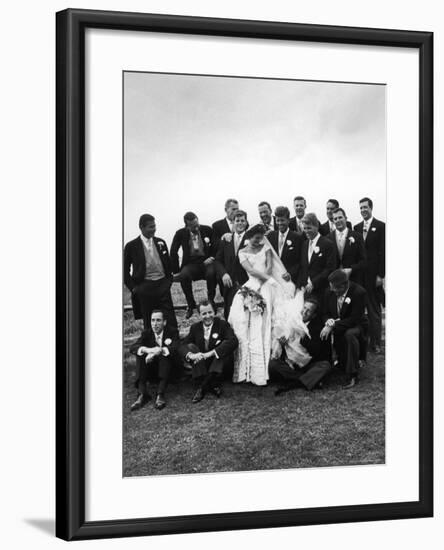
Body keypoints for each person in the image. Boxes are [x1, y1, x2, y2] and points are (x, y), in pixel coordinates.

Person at [229, 224, 310, 386]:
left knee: (268, 321)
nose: (258, 241)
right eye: (256, 238)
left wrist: (267, 280)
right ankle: (249, 369)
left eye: (260, 238)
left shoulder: (265, 246)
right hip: (252, 284)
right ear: (249, 237)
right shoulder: (242, 252)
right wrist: (260, 283)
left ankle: (269, 366)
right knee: (246, 324)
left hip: (268, 285)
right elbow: (251, 271)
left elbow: (269, 266)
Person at [124, 213, 177, 330]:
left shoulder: (161, 242)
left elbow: (168, 265)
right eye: (150, 227)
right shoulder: (131, 246)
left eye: (154, 226)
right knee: (150, 322)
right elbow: (124, 271)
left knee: (170, 319)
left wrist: (168, 281)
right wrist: (134, 288)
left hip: (162, 285)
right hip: (145, 287)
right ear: (141, 227)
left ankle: (173, 343)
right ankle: (151, 346)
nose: (154, 230)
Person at [270, 297, 332, 393]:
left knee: (325, 366)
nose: (304, 312)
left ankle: (296, 381)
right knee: (272, 365)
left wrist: (302, 337)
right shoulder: (291, 322)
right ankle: (306, 380)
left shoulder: (317, 327)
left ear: (314, 315)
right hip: (292, 364)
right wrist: (283, 344)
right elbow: (284, 350)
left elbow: (316, 351)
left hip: (308, 364)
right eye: (304, 308)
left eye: (308, 311)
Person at [181, 300, 238, 403]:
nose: (207, 316)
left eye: (210, 312)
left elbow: (233, 341)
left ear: (214, 312)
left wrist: (211, 353)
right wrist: (191, 355)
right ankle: (212, 384)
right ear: (199, 315)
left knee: (222, 348)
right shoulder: (195, 328)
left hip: (218, 364)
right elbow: (183, 345)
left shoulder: (222, 324)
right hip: (202, 364)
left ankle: (202, 388)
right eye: (204, 313)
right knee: (191, 347)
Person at [321, 269, 368, 389]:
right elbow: (325, 312)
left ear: (344, 286)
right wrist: (328, 321)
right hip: (337, 324)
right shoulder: (329, 292)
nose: (332, 290)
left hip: (356, 326)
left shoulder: (358, 292)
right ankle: (329, 365)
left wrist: (333, 326)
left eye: (335, 288)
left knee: (349, 334)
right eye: (331, 287)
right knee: (322, 331)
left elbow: (354, 319)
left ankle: (353, 374)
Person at [129, 310, 180, 410]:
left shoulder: (172, 331)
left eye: (158, 320)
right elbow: (133, 347)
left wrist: (159, 350)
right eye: (153, 320)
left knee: (165, 354)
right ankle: (142, 394)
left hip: (169, 370)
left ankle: (160, 394)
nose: (155, 324)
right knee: (140, 354)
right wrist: (148, 350)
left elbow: (176, 347)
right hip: (152, 370)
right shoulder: (147, 333)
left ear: (164, 322)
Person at [353, 197, 385, 353]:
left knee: (374, 310)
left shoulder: (380, 226)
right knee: (359, 310)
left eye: (365, 207)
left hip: (373, 275)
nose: (363, 210)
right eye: (361, 208)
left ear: (371, 208)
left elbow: (383, 252)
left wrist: (381, 275)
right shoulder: (356, 228)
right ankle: (361, 342)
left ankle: (376, 343)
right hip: (360, 276)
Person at [170, 212, 217, 319]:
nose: (196, 227)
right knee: (184, 275)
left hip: (206, 262)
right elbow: (173, 252)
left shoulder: (207, 230)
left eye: (197, 224)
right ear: (187, 226)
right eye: (193, 226)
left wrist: (212, 257)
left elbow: (216, 245)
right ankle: (191, 305)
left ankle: (211, 301)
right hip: (191, 264)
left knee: (211, 273)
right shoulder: (180, 233)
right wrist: (176, 271)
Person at [214, 209, 249, 319]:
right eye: (237, 220)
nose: (240, 223)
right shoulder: (226, 240)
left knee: (246, 314)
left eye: (242, 220)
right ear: (233, 222)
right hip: (230, 285)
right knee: (230, 315)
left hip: (246, 283)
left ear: (246, 222)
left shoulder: (251, 239)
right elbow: (217, 261)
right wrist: (223, 274)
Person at [296, 212, 336, 303]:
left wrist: (314, 283)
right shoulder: (305, 244)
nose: (306, 231)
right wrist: (300, 286)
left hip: (322, 290)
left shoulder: (327, 244)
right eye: (304, 228)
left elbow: (330, 268)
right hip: (306, 291)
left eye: (309, 228)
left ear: (316, 227)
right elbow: (303, 267)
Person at [328, 207, 366, 286]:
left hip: (353, 279)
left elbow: (363, 260)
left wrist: (351, 269)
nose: (338, 220)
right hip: (335, 282)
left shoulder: (357, 236)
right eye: (335, 219)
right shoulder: (328, 238)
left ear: (345, 218)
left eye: (340, 217)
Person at [267, 206, 304, 285]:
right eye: (278, 220)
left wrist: (290, 273)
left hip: (290, 280)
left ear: (288, 220)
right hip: (274, 279)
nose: (280, 223)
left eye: (282, 220)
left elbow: (300, 261)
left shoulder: (297, 238)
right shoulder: (270, 236)